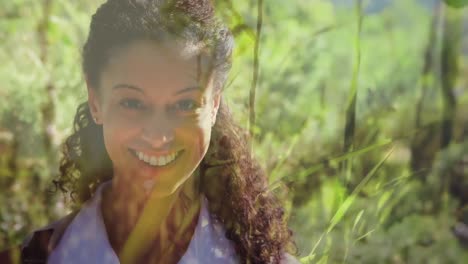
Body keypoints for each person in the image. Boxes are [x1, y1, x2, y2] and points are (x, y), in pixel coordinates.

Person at [1, 0, 299, 263]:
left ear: (214, 104)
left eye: (184, 103)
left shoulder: (266, 262)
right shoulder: (33, 259)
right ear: (96, 102)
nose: (159, 136)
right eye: (132, 102)